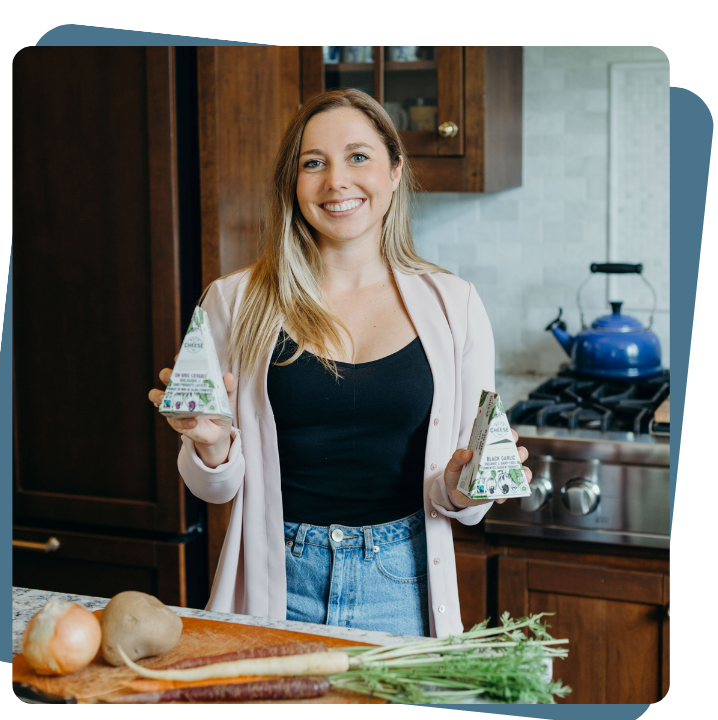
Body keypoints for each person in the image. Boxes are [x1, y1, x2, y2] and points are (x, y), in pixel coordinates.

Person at [148, 89, 532, 638]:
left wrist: (465, 486)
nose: (336, 182)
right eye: (313, 163)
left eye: (358, 156)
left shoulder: (455, 306)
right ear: (293, 183)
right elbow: (215, 490)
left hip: (403, 588)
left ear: (395, 171)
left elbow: (463, 503)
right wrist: (209, 445)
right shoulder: (235, 302)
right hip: (276, 583)